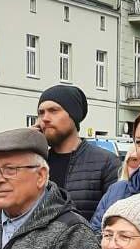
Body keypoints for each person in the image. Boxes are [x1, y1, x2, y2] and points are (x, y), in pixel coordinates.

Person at [34, 84, 121, 222]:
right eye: (41, 113)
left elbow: (114, 219)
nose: (44, 118)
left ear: (73, 115)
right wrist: (27, 145)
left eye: (53, 111)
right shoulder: (36, 163)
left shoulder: (106, 163)